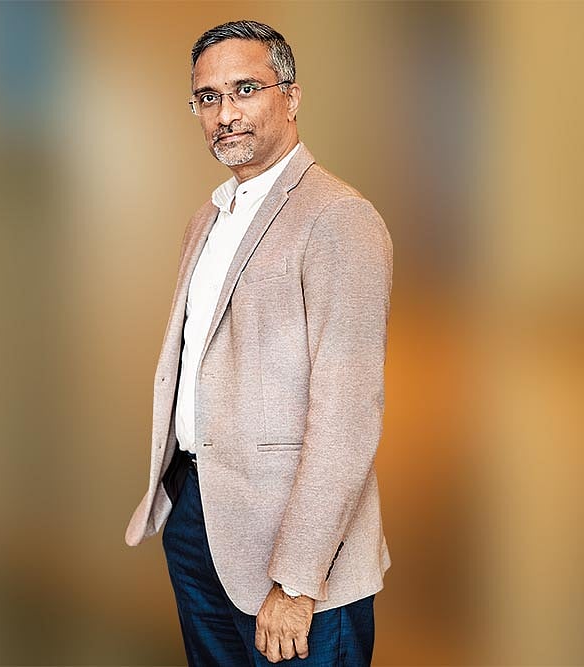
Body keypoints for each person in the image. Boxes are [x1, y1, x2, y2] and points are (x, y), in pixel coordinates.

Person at [125, 20, 393, 666]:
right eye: (208, 97)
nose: (225, 113)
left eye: (245, 89)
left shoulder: (338, 219)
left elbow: (348, 415)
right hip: (198, 519)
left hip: (295, 553)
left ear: (291, 97)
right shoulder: (207, 218)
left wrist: (297, 580)